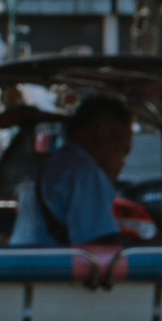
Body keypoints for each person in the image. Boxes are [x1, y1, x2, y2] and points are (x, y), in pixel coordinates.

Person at [11, 91, 148, 248]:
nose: (122, 164)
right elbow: (100, 246)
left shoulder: (58, 164)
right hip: (53, 268)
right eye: (121, 152)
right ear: (101, 133)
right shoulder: (85, 173)